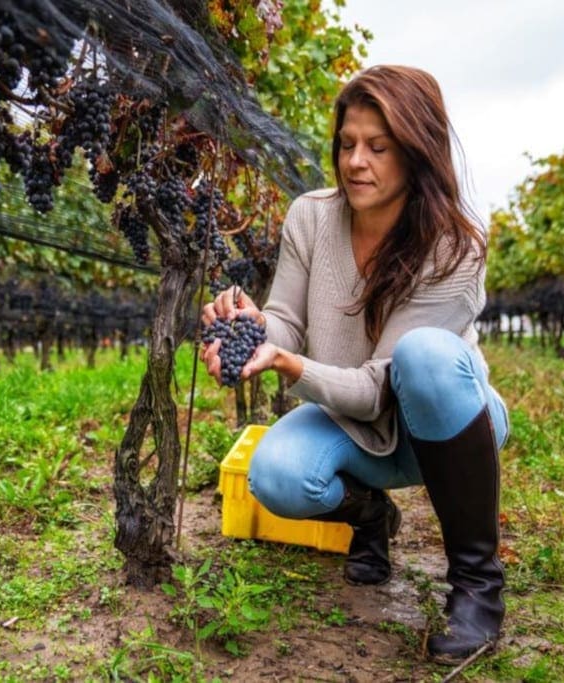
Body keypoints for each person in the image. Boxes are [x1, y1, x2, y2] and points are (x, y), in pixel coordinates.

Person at [201, 65, 508, 663]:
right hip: (348, 421)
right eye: (347, 145)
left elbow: (376, 391)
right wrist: (256, 327)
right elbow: (286, 317)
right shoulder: (311, 217)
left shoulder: (454, 249)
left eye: (377, 147)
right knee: (276, 477)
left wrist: (290, 365)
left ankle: (476, 586)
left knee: (424, 356)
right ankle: (371, 519)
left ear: (418, 152)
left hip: (441, 426)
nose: (355, 162)